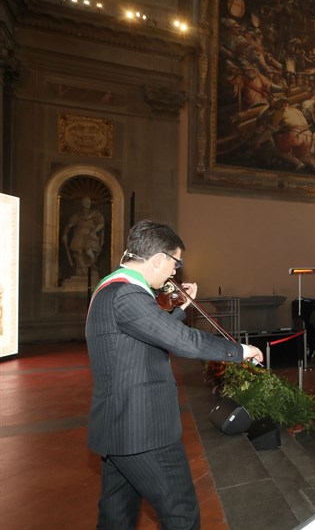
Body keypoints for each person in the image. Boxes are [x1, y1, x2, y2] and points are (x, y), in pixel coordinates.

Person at [85, 220, 263, 529]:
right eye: (175, 263)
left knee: (117, 519)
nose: (174, 273)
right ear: (158, 259)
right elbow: (182, 341)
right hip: (143, 431)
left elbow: (152, 330)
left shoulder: (114, 289)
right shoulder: (127, 294)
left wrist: (182, 307)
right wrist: (241, 351)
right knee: (181, 513)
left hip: (120, 430)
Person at [62, 196, 105, 277]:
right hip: (79, 235)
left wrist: (94, 231)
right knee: (79, 253)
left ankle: (93, 264)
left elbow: (101, 224)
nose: (88, 204)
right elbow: (69, 225)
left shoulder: (95, 213)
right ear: (82, 204)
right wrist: (65, 234)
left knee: (89, 251)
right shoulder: (78, 215)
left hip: (90, 235)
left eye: (89, 202)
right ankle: (82, 271)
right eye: (86, 202)